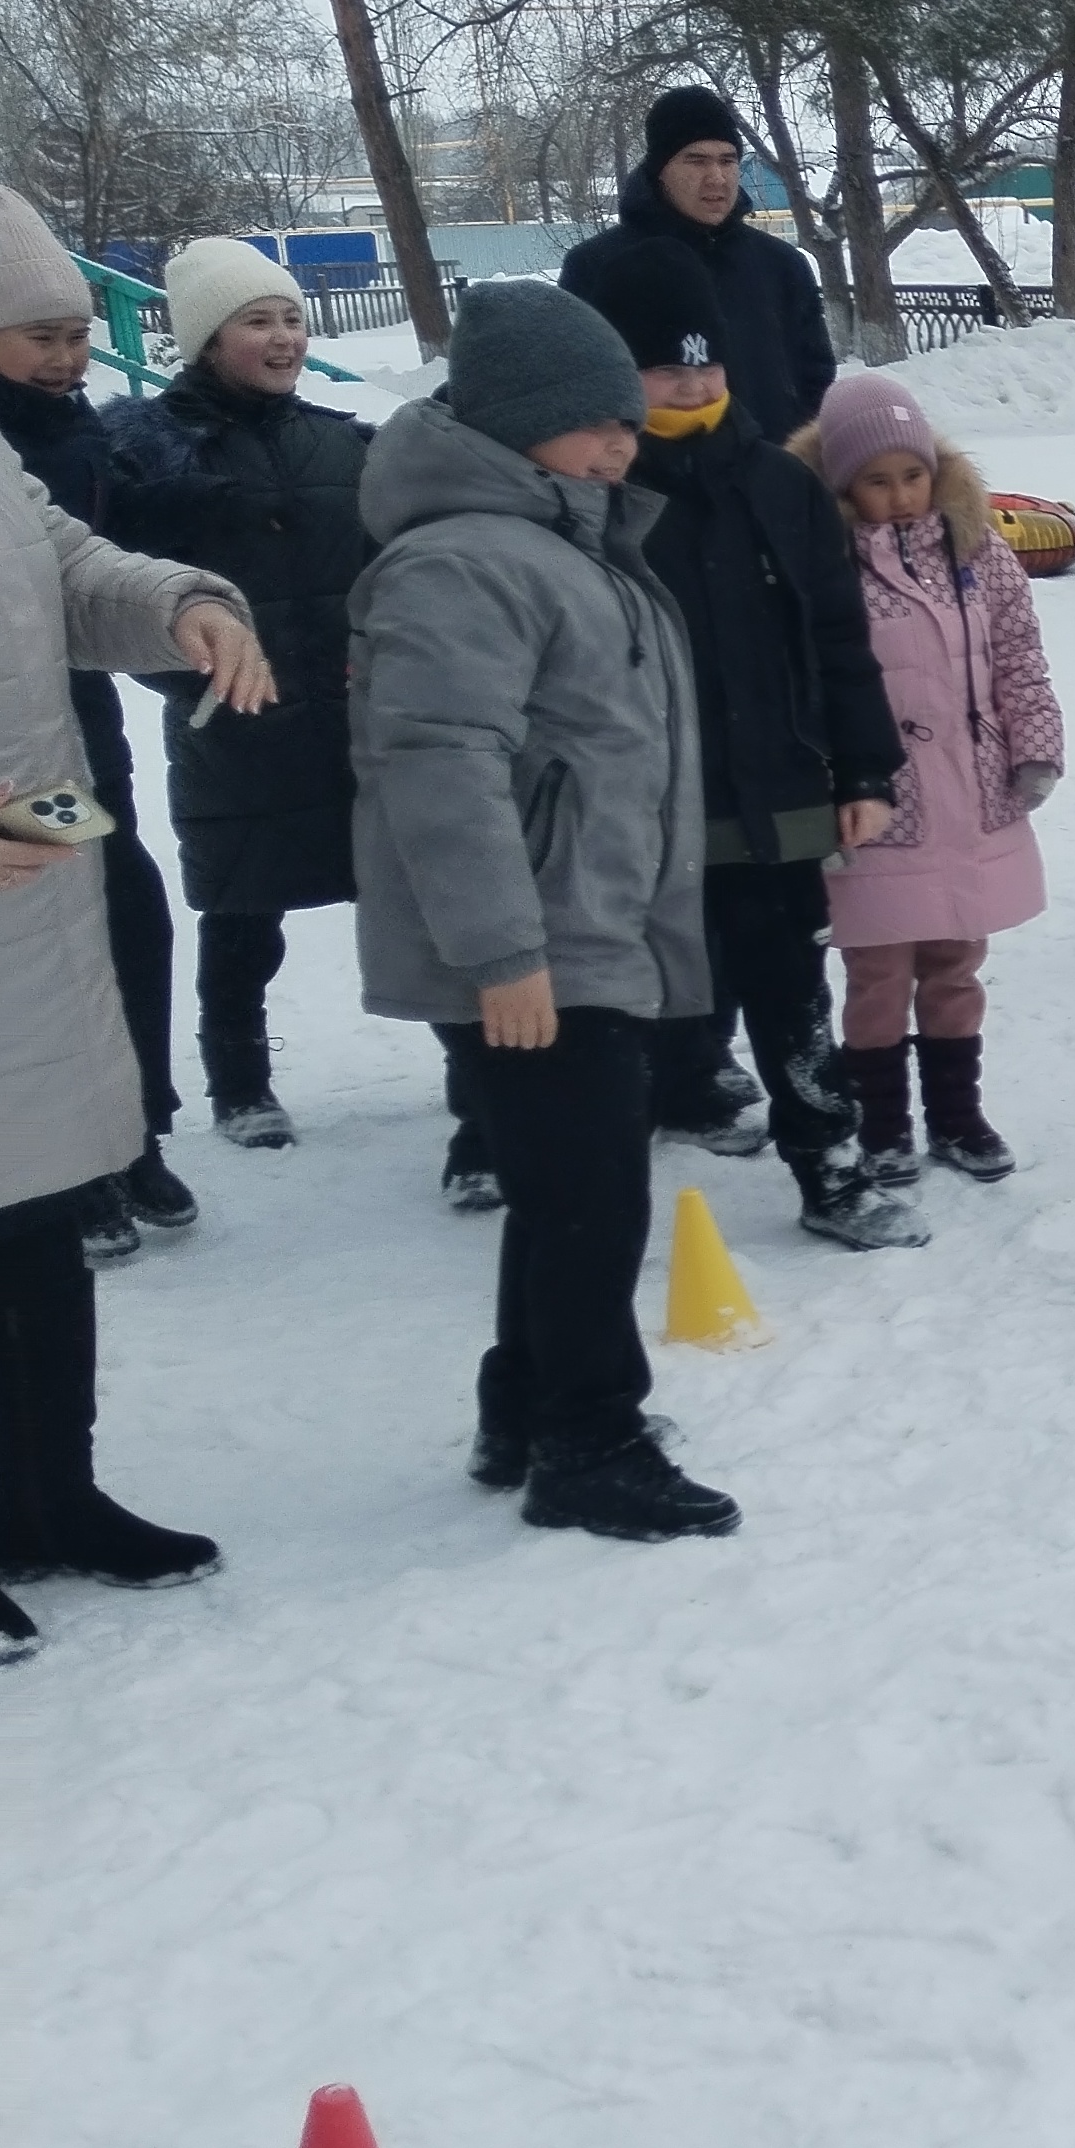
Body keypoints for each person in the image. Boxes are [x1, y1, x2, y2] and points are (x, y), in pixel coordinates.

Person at [0, 140, 262, 1661]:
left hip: (27, 872)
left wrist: (183, 601)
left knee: (34, 1211)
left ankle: (49, 1497)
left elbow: (66, 565)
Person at [347, 282, 737, 1542]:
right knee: (591, 1198)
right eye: (594, 424)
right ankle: (590, 1440)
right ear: (516, 426)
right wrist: (504, 954)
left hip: (585, 924)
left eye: (627, 419)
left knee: (566, 1187)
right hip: (536, 946)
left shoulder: (563, 543)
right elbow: (439, 763)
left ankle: (524, 1405)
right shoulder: (463, 558)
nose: (624, 443)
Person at [590, 264, 918, 1245]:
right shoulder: (598, 492)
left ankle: (830, 1166)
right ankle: (615, 1165)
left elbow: (838, 638)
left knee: (788, 990)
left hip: (773, 789)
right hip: (643, 804)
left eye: (706, 369)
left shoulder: (780, 483)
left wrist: (863, 770)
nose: (692, 390)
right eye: (666, 374)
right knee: (637, 991)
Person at [0, 192, 193, 1248]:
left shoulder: (50, 425)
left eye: (76, 338)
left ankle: (130, 1128)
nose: (63, 360)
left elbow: (87, 559)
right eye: (38, 337)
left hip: (62, 721)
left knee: (110, 899)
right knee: (18, 923)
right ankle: (59, 1173)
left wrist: (182, 611)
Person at [97, 239, 372, 1151]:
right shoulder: (150, 460)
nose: (285, 337)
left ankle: (472, 1069)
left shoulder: (339, 441)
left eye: (292, 317)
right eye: (258, 321)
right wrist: (195, 684)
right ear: (207, 340)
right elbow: (117, 592)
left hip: (349, 717)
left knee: (415, 891)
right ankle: (240, 1080)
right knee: (245, 911)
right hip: (237, 725)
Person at [797, 367, 1063, 1185]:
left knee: (955, 963)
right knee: (878, 974)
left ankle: (957, 1113)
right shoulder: (822, 566)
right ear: (843, 486)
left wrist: (1035, 746)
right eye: (877, 482)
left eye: (913, 475)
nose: (901, 495)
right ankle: (882, 1125)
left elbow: (1018, 654)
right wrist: (827, 789)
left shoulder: (975, 551)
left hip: (972, 791)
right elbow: (805, 684)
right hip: (877, 810)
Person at [561, 81, 838, 444]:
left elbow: (815, 380)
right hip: (652, 491)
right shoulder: (596, 267)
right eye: (696, 161)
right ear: (660, 170)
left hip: (769, 482)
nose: (717, 178)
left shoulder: (781, 265)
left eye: (728, 161)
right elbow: (580, 390)